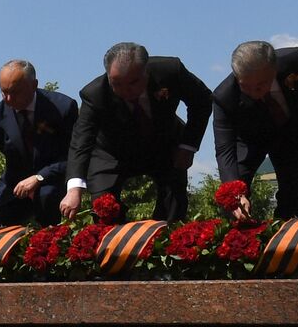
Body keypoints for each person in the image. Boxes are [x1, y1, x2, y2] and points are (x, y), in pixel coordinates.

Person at [60, 42, 213, 222]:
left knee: (173, 199)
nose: (126, 91)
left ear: (146, 72)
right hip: (111, 152)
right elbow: (81, 140)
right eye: (116, 84)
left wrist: (188, 145)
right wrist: (74, 189)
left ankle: (170, 238)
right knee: (103, 208)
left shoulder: (171, 71)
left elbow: (202, 100)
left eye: (133, 82)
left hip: (164, 144)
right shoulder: (94, 94)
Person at [212, 42, 298, 220]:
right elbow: (224, 150)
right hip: (249, 139)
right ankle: (239, 235)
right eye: (246, 86)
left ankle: (287, 232)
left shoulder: (296, 61)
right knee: (235, 189)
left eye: (260, 85)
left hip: (291, 132)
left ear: (273, 69)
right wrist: (235, 194)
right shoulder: (224, 97)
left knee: (292, 185)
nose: (254, 92)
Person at [0, 60, 78, 226]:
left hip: (52, 182)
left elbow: (74, 155)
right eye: (3, 92)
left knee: (48, 214)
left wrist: (40, 177)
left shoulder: (63, 107)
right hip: (14, 186)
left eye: (15, 92)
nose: (8, 99)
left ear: (34, 85)